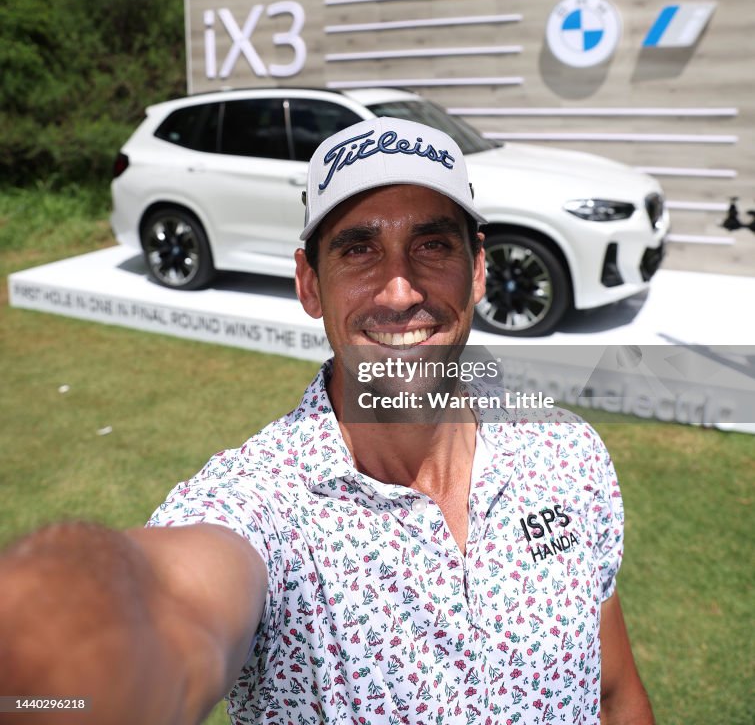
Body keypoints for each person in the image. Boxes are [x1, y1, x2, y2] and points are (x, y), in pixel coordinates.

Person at [0, 118, 654, 725]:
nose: (400, 292)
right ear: (310, 285)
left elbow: (613, 692)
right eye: (358, 250)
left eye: (430, 244)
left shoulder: (567, 453)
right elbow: (166, 603)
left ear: (477, 268)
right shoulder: (265, 505)